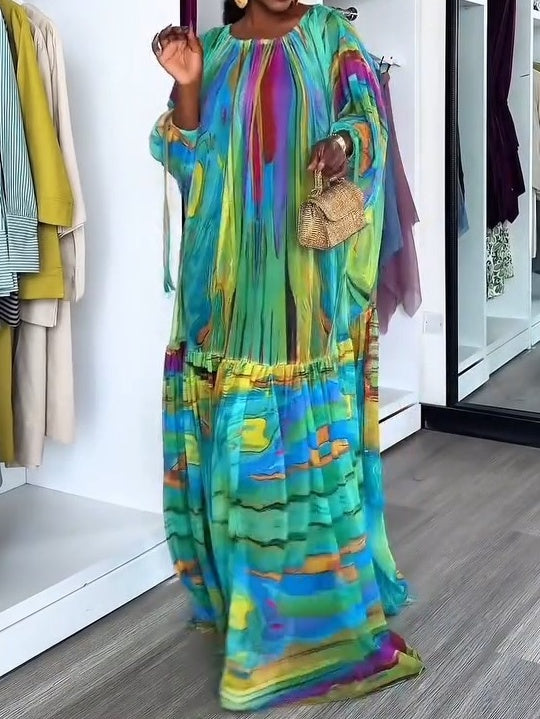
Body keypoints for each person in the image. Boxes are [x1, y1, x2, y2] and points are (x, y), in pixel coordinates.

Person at [150, 0, 423, 711]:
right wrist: (187, 85)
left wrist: (343, 147)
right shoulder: (213, 48)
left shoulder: (331, 35)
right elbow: (187, 163)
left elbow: (371, 124)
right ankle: (251, 614)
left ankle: (278, 638)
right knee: (237, 462)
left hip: (299, 298)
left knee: (281, 460)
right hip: (221, 290)